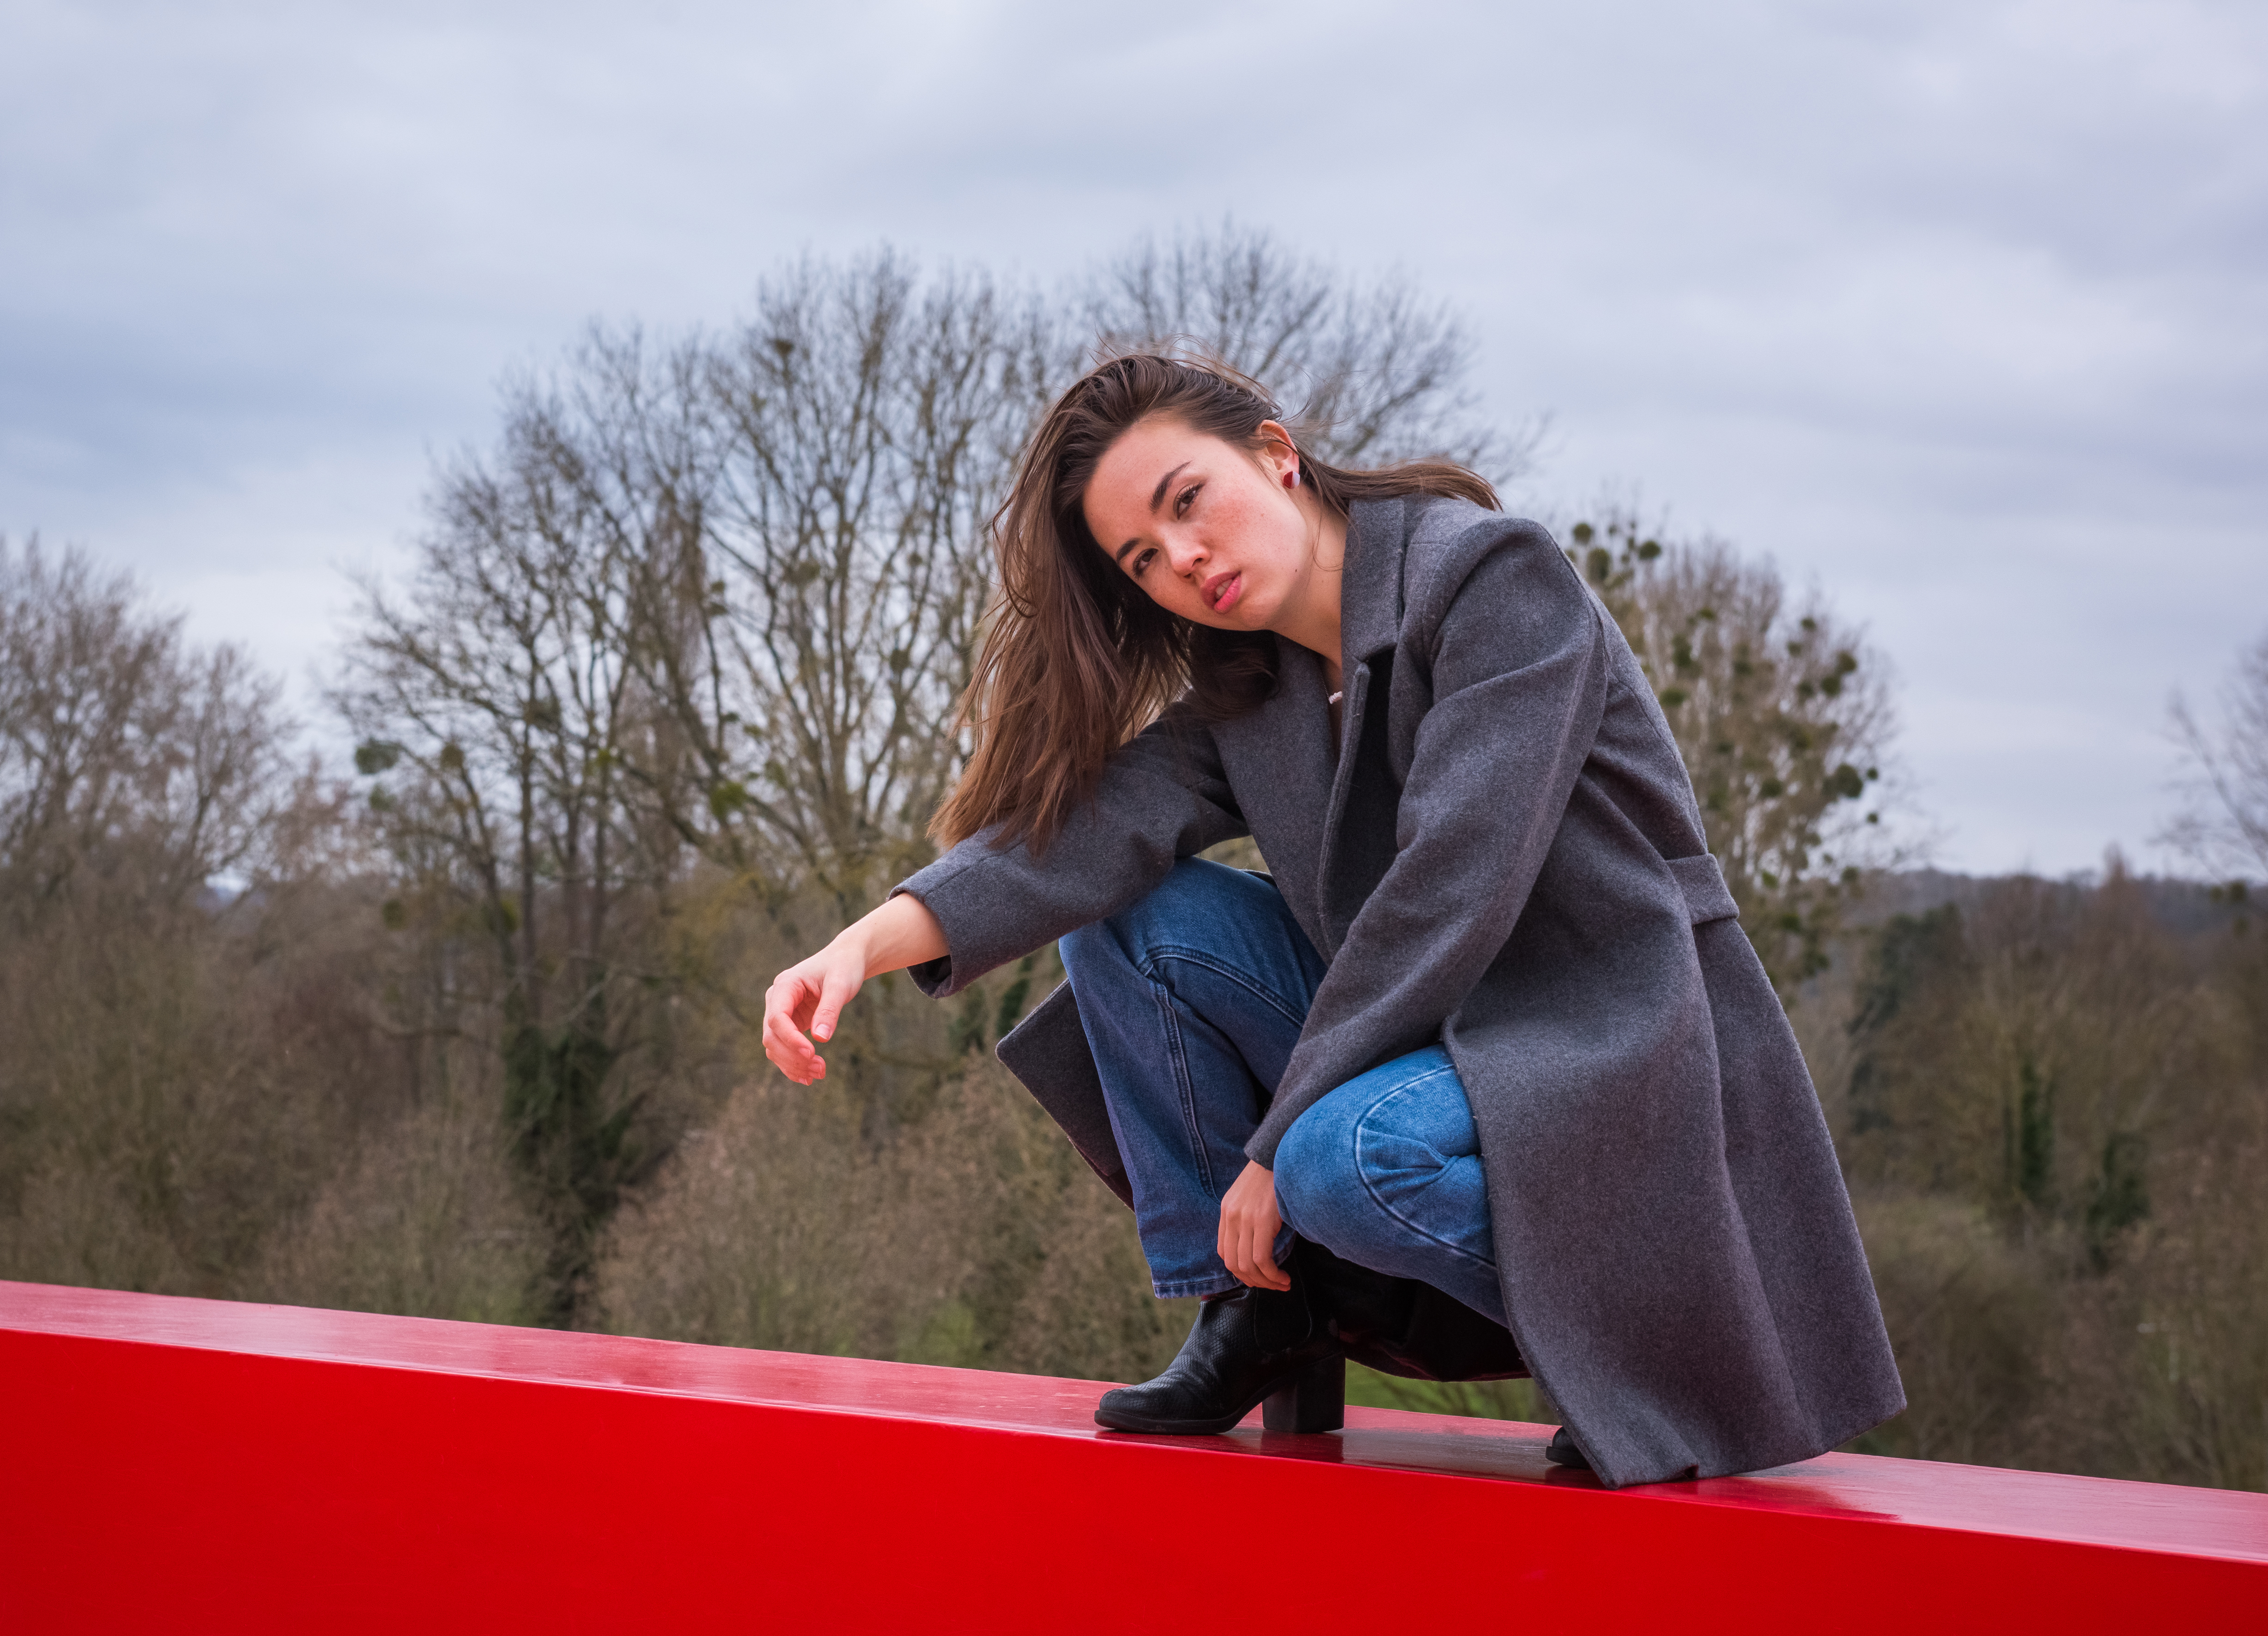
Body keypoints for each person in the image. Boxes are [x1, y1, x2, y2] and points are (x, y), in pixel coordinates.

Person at [760, 353, 1903, 1487]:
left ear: (1274, 450)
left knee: (1338, 1158)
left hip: (1597, 1024)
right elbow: (1084, 841)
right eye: (1144, 559)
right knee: (1125, 920)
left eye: (1188, 502)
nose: (1184, 561)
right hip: (1425, 1027)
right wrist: (860, 944)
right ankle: (1259, 1309)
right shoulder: (1250, 683)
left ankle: (1633, 1324)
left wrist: (1272, 1144)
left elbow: (1453, 885)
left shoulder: (1492, 580)